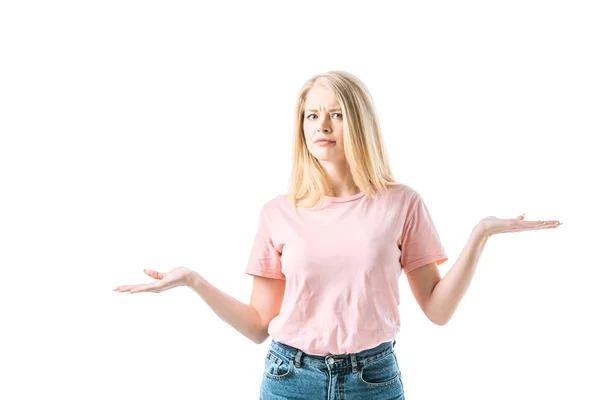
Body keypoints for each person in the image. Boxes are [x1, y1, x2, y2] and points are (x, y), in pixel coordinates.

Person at [113, 70, 562, 399]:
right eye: (311, 115)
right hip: (290, 379)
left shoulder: (402, 203)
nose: (322, 126)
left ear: (359, 123)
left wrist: (481, 234)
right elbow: (257, 326)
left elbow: (438, 311)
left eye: (336, 114)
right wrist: (192, 280)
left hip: (375, 379)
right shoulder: (278, 212)